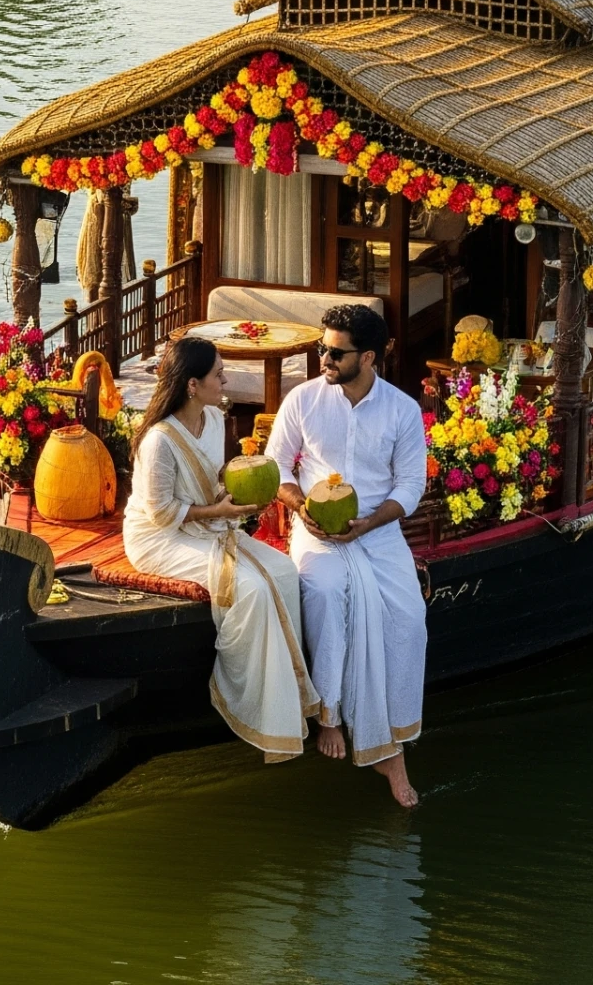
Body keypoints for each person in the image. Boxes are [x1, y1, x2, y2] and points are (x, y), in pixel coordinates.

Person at [123, 333, 321, 762]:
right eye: (219, 374)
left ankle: (291, 698)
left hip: (207, 522)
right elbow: (160, 514)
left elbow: (213, 480)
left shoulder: (213, 421)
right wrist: (217, 512)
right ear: (192, 385)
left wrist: (233, 498)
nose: (226, 381)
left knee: (284, 572)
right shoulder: (158, 441)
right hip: (159, 538)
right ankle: (244, 698)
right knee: (249, 588)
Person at [269, 302, 428, 807]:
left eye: (336, 353)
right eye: (322, 348)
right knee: (325, 593)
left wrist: (370, 523)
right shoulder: (304, 400)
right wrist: (301, 507)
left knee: (408, 616)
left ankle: (392, 741)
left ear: (370, 357)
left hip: (377, 531)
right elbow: (276, 464)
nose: (324, 359)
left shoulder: (401, 409)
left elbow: (411, 485)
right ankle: (330, 716)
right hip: (314, 528)